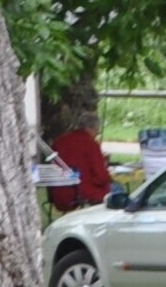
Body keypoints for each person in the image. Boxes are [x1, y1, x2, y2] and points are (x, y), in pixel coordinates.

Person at [37, 73, 114, 216]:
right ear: (93, 128)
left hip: (57, 194)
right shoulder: (90, 145)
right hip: (79, 192)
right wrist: (107, 170)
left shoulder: (60, 141)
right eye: (97, 131)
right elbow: (101, 177)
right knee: (118, 191)